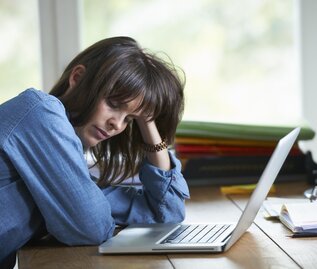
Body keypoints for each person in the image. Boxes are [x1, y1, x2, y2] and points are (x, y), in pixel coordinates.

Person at [0, 36, 190, 268]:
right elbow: (90, 227)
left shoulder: (63, 172)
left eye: (129, 119)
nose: (117, 125)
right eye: (114, 104)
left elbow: (166, 213)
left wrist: (147, 119)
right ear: (78, 78)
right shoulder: (40, 112)